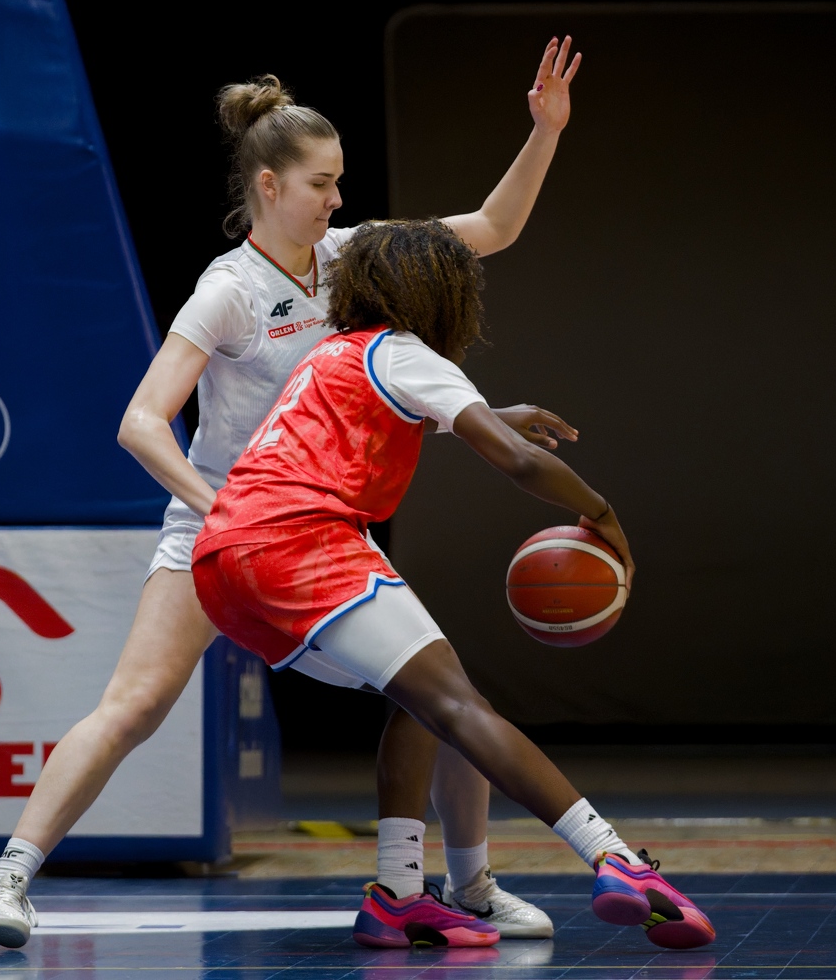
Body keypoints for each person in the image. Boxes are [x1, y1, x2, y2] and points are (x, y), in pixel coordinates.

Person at [0, 37, 584, 950]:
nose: (338, 199)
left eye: (340, 182)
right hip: (217, 530)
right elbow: (141, 423)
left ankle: (471, 886)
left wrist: (546, 131)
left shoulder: (354, 254)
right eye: (322, 184)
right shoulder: (229, 291)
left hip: (316, 534)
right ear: (269, 186)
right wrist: (221, 510)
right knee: (133, 705)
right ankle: (4, 885)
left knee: (444, 696)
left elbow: (494, 226)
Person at [190, 219, 716, 951]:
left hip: (222, 561)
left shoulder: (331, 352)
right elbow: (519, 461)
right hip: (300, 541)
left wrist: (485, 413)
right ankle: (616, 859)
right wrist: (602, 513)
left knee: (424, 697)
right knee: (462, 706)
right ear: (442, 297)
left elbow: (375, 412)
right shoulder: (406, 351)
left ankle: (400, 896)